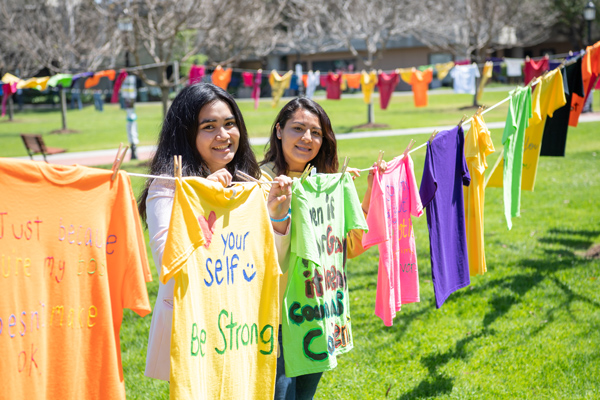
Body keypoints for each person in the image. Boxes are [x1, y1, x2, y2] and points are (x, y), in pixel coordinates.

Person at [139, 82, 292, 382]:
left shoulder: (251, 182)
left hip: (242, 325)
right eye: (209, 126)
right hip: (195, 329)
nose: (223, 135)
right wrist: (201, 197)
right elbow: (167, 263)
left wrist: (277, 218)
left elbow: (271, 261)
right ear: (187, 134)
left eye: (229, 124)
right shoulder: (169, 187)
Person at [260, 97, 385, 400]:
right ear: (279, 130)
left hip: (316, 311)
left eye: (316, 132)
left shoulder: (326, 183)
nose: (307, 139)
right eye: (297, 128)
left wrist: (367, 191)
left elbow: (349, 247)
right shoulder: (260, 182)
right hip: (275, 318)